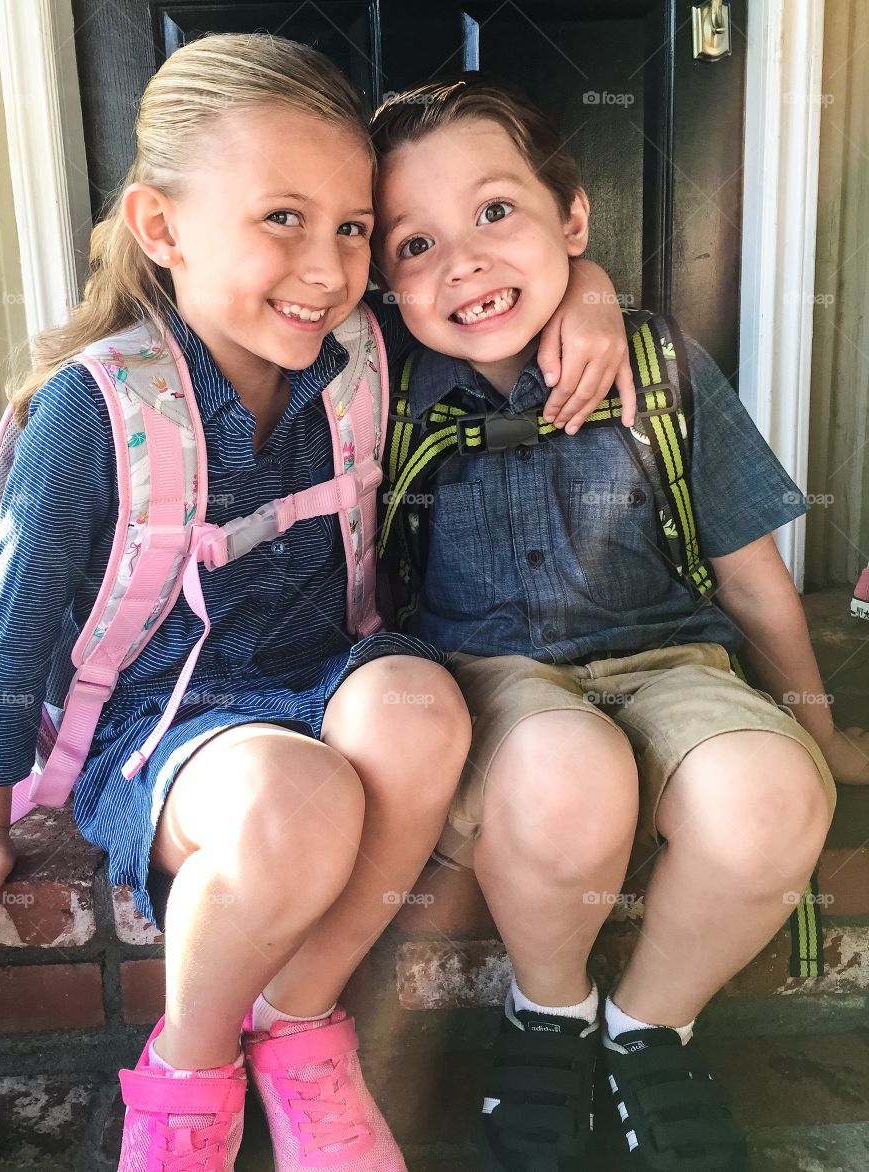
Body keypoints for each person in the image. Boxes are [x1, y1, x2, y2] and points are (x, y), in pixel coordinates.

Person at [0, 38, 630, 1171]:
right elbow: (16, 621)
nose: (327, 268)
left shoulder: (357, 350)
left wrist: (591, 290)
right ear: (162, 227)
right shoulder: (96, 410)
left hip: (325, 669)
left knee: (422, 711)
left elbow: (483, 290)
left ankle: (299, 1027)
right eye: (281, 219)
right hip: (162, 718)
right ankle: (188, 1077)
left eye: (352, 228)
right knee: (297, 801)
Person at [370, 73, 867, 1171]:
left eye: (496, 210)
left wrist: (818, 729)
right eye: (416, 243)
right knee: (565, 772)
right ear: (384, 284)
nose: (464, 262)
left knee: (772, 793)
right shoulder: (380, 389)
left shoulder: (662, 366)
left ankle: (649, 1025)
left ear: (573, 217)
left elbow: (751, 579)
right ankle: (551, 1009)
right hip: (495, 683)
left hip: (673, 660)